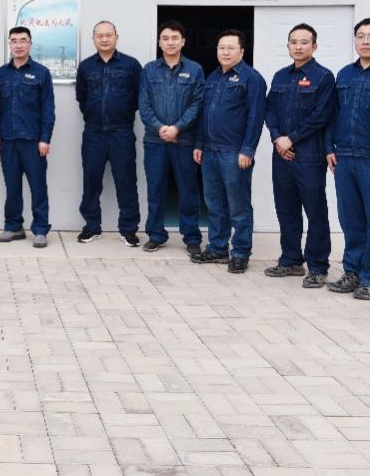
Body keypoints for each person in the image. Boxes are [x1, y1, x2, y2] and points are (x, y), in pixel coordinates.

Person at [326, 18, 370, 300]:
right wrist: (328, 147)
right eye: (360, 36)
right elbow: (332, 114)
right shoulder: (345, 74)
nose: (365, 41)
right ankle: (352, 271)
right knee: (350, 219)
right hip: (344, 157)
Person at [263, 24, 337, 288]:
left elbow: (321, 115)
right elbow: (269, 110)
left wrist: (291, 138)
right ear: (288, 46)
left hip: (309, 155)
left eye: (304, 42)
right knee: (286, 209)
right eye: (293, 42)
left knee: (315, 211)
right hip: (282, 155)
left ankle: (317, 266)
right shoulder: (280, 76)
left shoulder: (323, 77)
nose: (298, 46)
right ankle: (291, 260)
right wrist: (277, 138)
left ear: (314, 46)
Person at [192, 29, 267, 273]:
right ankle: (217, 247)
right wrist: (199, 144)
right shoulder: (213, 77)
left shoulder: (252, 79)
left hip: (234, 152)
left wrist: (248, 150)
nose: (225, 52)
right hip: (210, 151)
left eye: (231, 47)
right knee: (214, 203)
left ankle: (241, 252)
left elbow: (256, 117)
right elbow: (204, 114)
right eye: (221, 47)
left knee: (238, 206)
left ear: (241, 51)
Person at [138, 21, 204, 255]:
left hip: (184, 140)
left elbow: (197, 103)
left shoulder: (195, 70)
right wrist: (160, 128)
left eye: (175, 38)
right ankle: (156, 235)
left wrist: (177, 128)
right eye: (165, 38)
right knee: (155, 189)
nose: (170, 42)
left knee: (188, 190)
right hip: (154, 141)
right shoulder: (149, 70)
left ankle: (192, 237)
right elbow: (144, 104)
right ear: (159, 42)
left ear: (183, 41)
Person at [75, 20, 142, 246]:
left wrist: (122, 112)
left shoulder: (131, 65)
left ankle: (129, 229)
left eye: (108, 35)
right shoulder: (86, 67)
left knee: (126, 181)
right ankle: (91, 227)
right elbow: (81, 97)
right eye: (100, 35)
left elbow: (139, 97)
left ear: (116, 37)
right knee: (91, 181)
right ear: (93, 39)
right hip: (93, 133)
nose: (104, 39)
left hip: (122, 132)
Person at [0, 26, 56, 248]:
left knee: (38, 187)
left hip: (33, 141)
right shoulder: (2, 73)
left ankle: (40, 230)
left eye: (23, 40)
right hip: (7, 140)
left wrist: (45, 138)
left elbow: (48, 108)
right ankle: (13, 226)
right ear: (9, 44)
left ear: (30, 43)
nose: (18, 45)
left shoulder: (41, 73)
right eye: (14, 41)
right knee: (12, 186)